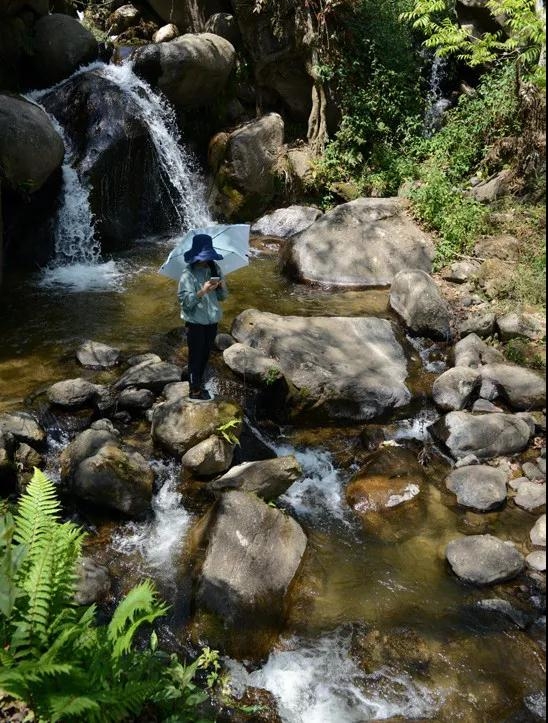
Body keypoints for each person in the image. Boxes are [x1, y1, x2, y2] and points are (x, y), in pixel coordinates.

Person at [177, 234, 228, 401]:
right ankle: (194, 391)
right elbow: (185, 303)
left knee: (205, 354)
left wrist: (221, 286)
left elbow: (222, 297)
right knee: (195, 356)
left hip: (212, 320)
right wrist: (203, 291)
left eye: (208, 257)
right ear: (196, 256)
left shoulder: (215, 268)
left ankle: (199, 384)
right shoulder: (188, 274)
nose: (206, 260)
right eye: (203, 257)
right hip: (195, 322)